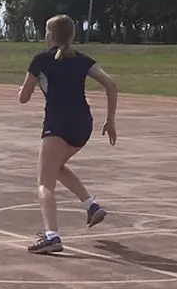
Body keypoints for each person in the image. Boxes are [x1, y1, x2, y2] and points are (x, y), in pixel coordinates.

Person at [16, 15, 115, 254]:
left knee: (44, 183)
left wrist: (24, 86)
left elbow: (23, 98)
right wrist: (110, 120)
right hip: (83, 125)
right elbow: (110, 84)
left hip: (57, 124)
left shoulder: (41, 60)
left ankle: (52, 235)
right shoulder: (82, 60)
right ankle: (91, 205)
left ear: (50, 34)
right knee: (56, 167)